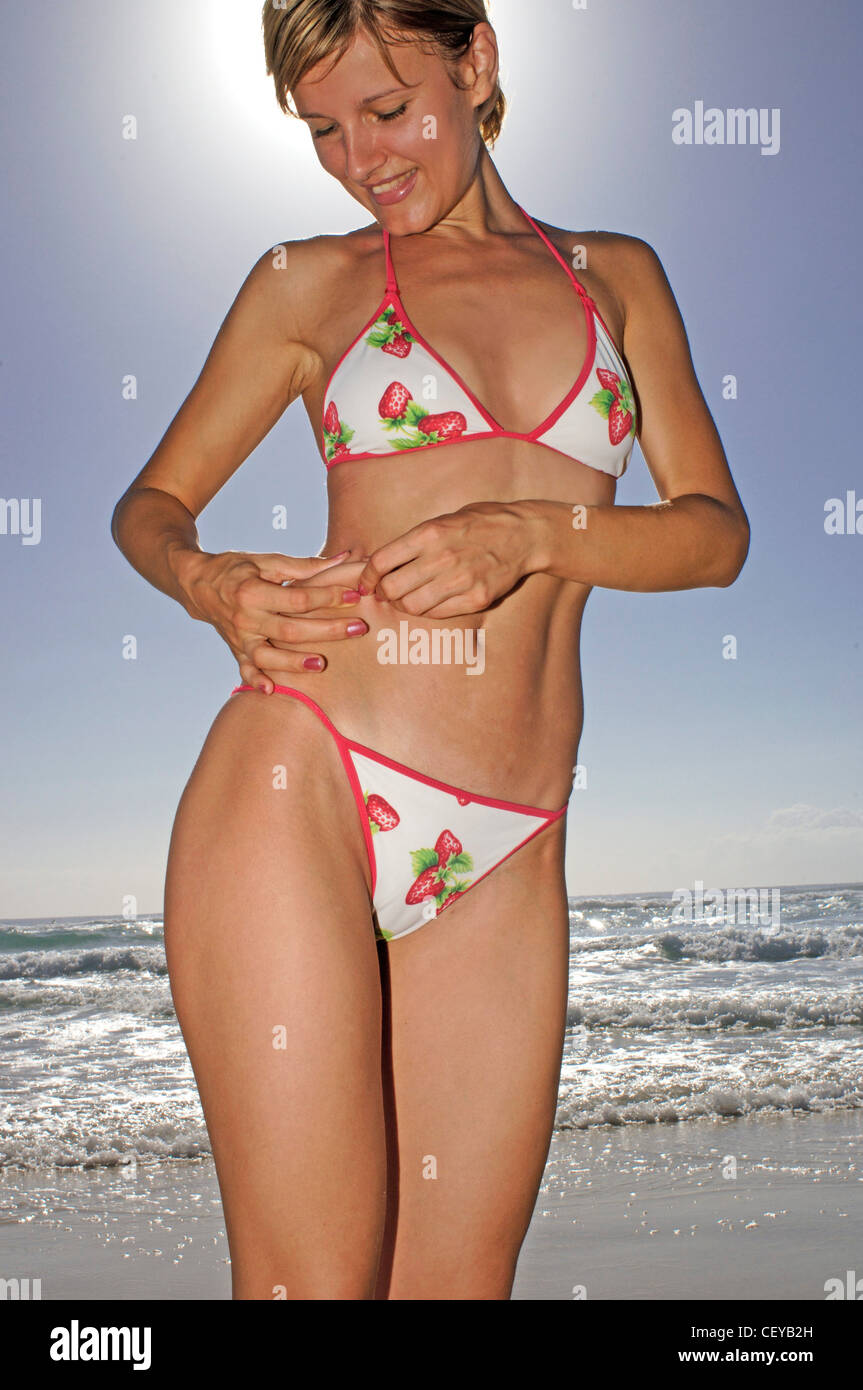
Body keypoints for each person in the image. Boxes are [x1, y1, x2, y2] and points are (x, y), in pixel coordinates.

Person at [111, 0, 749, 1300]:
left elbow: (713, 534)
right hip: (308, 775)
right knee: (313, 1282)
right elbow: (150, 506)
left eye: (389, 112)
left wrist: (539, 532)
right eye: (325, 130)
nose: (361, 160)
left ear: (479, 60)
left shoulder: (615, 273)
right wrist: (208, 581)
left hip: (507, 845)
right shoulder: (311, 281)